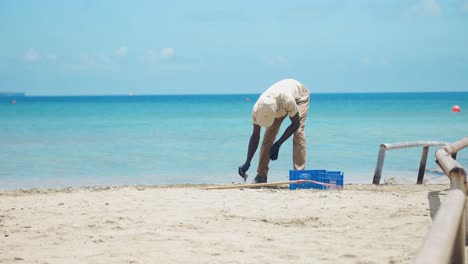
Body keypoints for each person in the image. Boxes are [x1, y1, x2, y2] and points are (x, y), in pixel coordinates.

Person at [238, 79, 310, 183]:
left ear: (275, 111)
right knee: (268, 136)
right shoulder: (257, 109)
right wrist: (247, 162)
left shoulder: (287, 100)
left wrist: (278, 144)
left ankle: (299, 174)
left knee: (298, 132)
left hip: (300, 96)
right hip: (279, 100)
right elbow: (255, 137)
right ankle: (261, 175)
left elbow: (295, 124)